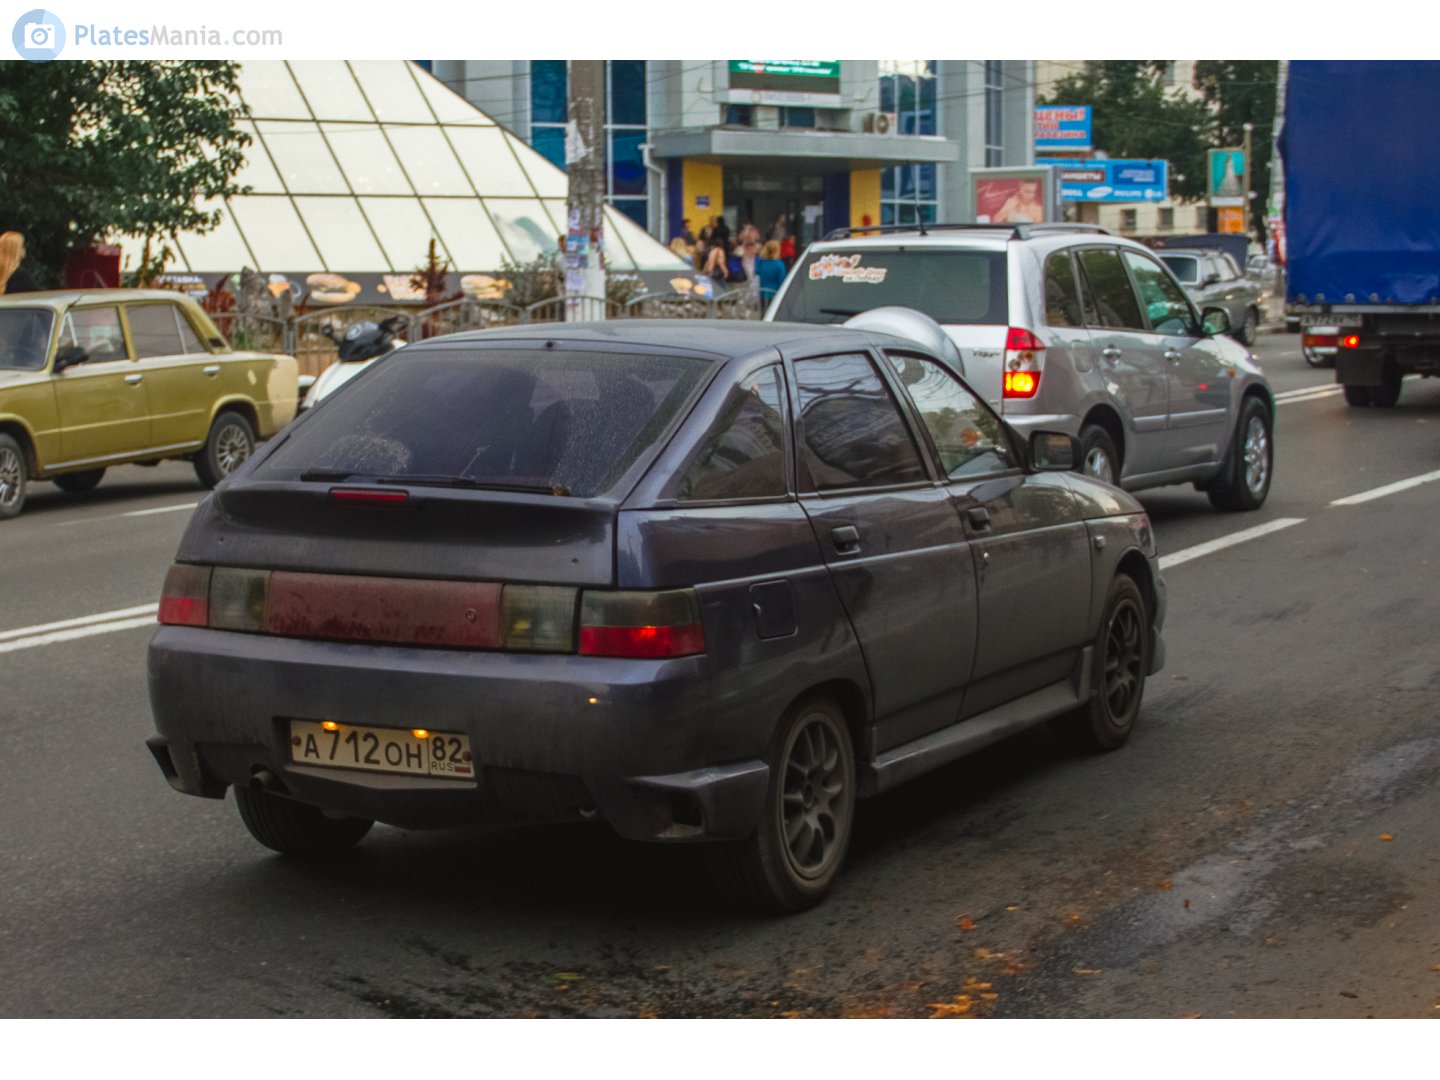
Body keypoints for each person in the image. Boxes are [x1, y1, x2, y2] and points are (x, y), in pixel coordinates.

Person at [756, 240, 787, 305]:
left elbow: (756, 275)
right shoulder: (779, 264)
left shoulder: (760, 263)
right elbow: (782, 282)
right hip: (775, 295)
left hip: (762, 294)